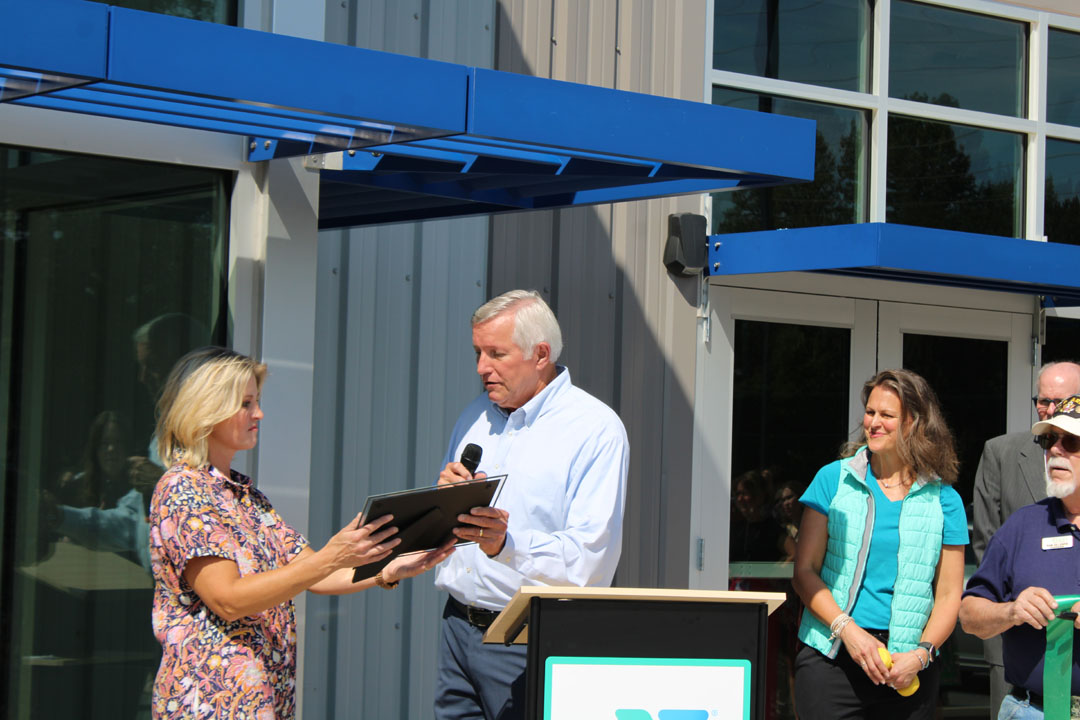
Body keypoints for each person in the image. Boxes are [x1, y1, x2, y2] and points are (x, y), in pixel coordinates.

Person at [148, 346, 454, 719]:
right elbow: (228, 599)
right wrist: (332, 556)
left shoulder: (244, 495)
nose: (258, 413)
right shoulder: (184, 490)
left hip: (261, 700)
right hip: (210, 705)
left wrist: (388, 569)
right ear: (206, 409)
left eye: (256, 401)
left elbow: (316, 573)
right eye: (246, 403)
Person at [432, 289, 629, 720]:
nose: (481, 367)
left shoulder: (595, 430)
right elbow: (445, 526)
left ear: (541, 354)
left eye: (496, 353)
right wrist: (441, 503)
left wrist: (506, 544)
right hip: (456, 629)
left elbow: (589, 563)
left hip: (529, 638)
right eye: (477, 352)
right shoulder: (475, 415)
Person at [791, 369, 968, 720]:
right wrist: (849, 632)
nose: (873, 422)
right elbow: (804, 572)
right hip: (832, 658)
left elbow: (949, 595)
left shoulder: (944, 500)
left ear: (914, 423)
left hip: (905, 671)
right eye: (870, 412)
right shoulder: (833, 479)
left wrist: (921, 655)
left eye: (887, 415)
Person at [961, 395, 1080, 720]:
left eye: (1069, 441)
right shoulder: (1023, 525)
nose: (1055, 450)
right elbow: (969, 616)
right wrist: (1012, 611)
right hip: (1032, 710)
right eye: (1049, 440)